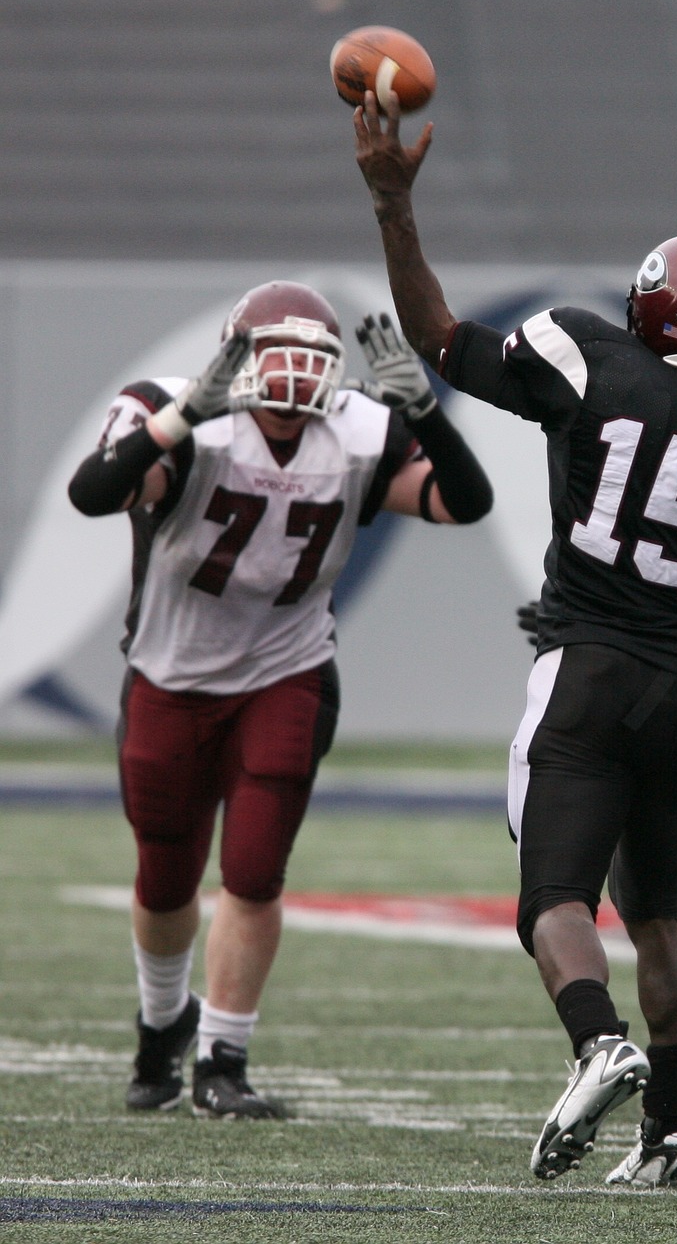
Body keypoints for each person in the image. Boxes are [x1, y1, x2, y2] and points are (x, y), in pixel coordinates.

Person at [350, 89, 677, 1187]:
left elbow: (435, 337)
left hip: (585, 666)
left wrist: (390, 206)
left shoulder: (584, 355)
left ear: (650, 307)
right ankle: (672, 1138)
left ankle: (592, 1039)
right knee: (654, 908)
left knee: (552, 896)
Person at [67, 281, 493, 1118]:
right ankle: (163, 1025)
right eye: (277, 354)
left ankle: (223, 1058)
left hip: (286, 671)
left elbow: (461, 503)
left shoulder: (363, 428)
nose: (296, 377)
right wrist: (183, 415)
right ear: (237, 357)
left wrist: (430, 416)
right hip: (170, 672)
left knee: (255, 873)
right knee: (164, 873)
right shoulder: (177, 414)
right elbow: (95, 493)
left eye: (314, 358)